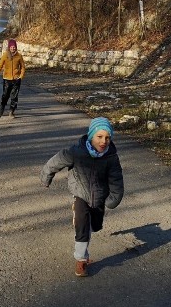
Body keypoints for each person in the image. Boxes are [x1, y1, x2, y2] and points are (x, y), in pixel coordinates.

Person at [41, 117, 124, 277]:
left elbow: (116, 178)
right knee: (83, 224)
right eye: (99, 137)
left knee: (95, 225)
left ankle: (86, 224)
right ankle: (81, 260)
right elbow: (55, 162)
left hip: (100, 196)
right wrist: (46, 177)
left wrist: (114, 198)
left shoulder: (111, 157)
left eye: (107, 138)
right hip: (80, 193)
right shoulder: (76, 152)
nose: (103, 141)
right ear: (91, 135)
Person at [0, 39, 25, 117]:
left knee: (14, 96)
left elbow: (23, 67)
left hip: (16, 80)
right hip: (7, 79)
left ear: (16, 47)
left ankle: (11, 111)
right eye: (11, 47)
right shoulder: (5, 55)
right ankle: (2, 108)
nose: (13, 48)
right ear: (9, 47)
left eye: (14, 47)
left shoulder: (19, 56)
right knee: (5, 95)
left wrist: (21, 76)